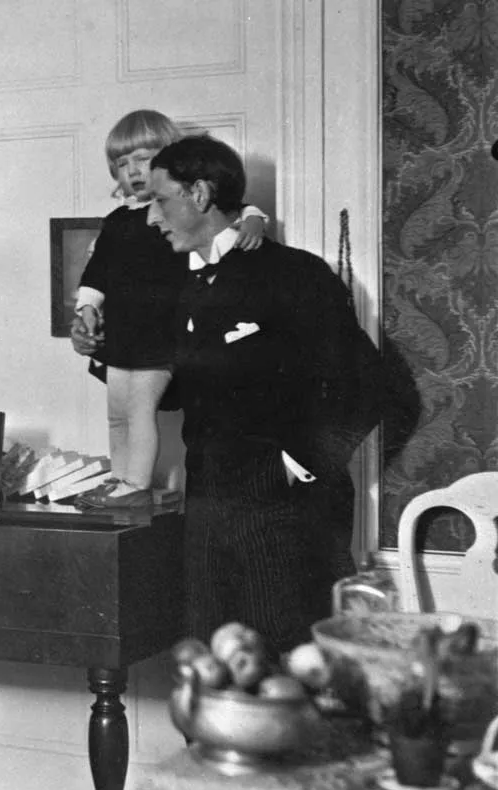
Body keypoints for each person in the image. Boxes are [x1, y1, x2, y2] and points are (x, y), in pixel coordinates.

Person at [145, 134, 382, 654]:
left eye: (161, 201)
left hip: (285, 508)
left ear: (200, 195)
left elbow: (368, 384)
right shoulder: (183, 283)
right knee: (210, 665)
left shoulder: (295, 274)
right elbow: (175, 393)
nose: (152, 217)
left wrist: (300, 463)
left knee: (282, 669)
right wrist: (99, 354)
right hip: (206, 498)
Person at [70, 110, 268, 508]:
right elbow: (97, 272)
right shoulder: (116, 221)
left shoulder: (176, 209)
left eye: (143, 159)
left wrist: (255, 219)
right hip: (122, 333)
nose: (133, 171)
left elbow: (235, 207)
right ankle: (119, 479)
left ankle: (137, 484)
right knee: (117, 412)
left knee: (142, 410)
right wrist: (87, 309)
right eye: (122, 163)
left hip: (160, 332)